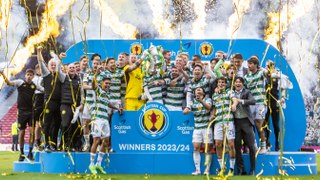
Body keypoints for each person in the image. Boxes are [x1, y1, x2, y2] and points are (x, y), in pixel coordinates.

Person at [1, 69, 41, 161]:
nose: (29, 76)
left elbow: (43, 90)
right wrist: (3, 74)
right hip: (22, 113)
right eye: (27, 74)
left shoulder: (34, 86)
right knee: (21, 133)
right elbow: (9, 83)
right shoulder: (20, 83)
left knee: (31, 132)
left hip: (31, 112)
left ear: (33, 77)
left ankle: (30, 152)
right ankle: (22, 153)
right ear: (25, 75)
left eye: (31, 75)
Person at [88, 77, 123, 174]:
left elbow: (108, 104)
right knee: (96, 140)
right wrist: (95, 74)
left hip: (105, 119)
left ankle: (98, 164)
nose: (108, 85)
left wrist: (117, 108)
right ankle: (91, 164)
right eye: (106, 83)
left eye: (109, 83)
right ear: (102, 83)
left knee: (106, 141)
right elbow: (93, 85)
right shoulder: (98, 90)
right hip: (97, 119)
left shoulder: (107, 94)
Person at [37, 46, 63, 152]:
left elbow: (59, 64)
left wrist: (59, 59)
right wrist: (39, 52)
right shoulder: (46, 74)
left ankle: (53, 144)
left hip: (59, 103)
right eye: (51, 64)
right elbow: (40, 63)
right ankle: (46, 144)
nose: (53, 66)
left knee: (56, 124)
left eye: (54, 64)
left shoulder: (60, 76)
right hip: (49, 103)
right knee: (47, 124)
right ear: (48, 66)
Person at [211, 77, 237, 176]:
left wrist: (234, 105)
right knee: (218, 144)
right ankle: (222, 168)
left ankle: (231, 168)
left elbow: (234, 100)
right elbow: (214, 108)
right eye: (219, 82)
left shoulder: (229, 92)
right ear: (217, 84)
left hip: (228, 122)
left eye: (223, 82)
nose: (221, 84)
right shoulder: (214, 95)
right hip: (218, 122)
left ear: (226, 84)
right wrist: (212, 115)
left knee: (231, 144)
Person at [183, 87, 212, 175]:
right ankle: (198, 170)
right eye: (197, 90)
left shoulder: (208, 99)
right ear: (194, 93)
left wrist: (201, 101)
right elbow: (186, 111)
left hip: (207, 128)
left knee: (207, 149)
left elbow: (209, 108)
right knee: (195, 148)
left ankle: (207, 170)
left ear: (203, 93)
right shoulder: (192, 102)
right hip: (197, 128)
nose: (198, 91)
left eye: (200, 89)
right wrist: (186, 110)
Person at [244, 56, 268, 154]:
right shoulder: (246, 77)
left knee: (259, 124)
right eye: (248, 64)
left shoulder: (261, 73)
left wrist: (264, 68)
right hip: (251, 104)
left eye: (251, 64)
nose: (249, 66)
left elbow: (267, 73)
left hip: (261, 103)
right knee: (250, 126)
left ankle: (263, 146)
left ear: (256, 65)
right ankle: (253, 145)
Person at [233, 77, 256, 175]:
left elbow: (253, 101)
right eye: (236, 82)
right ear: (234, 84)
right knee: (237, 147)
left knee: (251, 146)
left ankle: (252, 169)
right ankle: (241, 169)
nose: (238, 83)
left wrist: (240, 101)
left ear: (243, 84)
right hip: (236, 123)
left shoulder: (247, 92)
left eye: (240, 82)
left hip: (246, 122)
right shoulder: (230, 92)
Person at [59, 63, 83, 151]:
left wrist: (82, 103)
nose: (72, 69)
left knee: (77, 126)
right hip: (65, 104)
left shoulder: (79, 79)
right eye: (70, 68)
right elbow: (58, 69)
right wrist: (59, 59)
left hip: (76, 107)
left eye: (73, 67)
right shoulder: (64, 77)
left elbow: (81, 93)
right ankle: (65, 144)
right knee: (65, 124)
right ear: (67, 69)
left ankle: (73, 145)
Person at [81, 54, 102, 152]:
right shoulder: (87, 73)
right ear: (92, 63)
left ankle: (96, 144)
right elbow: (84, 86)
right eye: (94, 63)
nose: (96, 65)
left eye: (98, 63)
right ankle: (86, 143)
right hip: (89, 103)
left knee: (97, 124)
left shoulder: (103, 74)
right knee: (86, 123)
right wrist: (91, 87)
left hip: (98, 103)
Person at [32, 64, 44, 149]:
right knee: (38, 124)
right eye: (38, 69)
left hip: (45, 98)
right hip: (38, 99)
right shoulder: (34, 79)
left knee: (45, 123)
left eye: (41, 69)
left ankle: (44, 140)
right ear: (36, 70)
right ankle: (37, 140)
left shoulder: (46, 77)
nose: (40, 70)